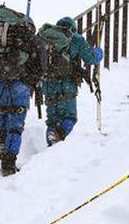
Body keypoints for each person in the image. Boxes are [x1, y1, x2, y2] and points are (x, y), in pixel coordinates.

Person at [0, 4, 46, 176]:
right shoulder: (29, 39)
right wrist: (32, 80)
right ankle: (9, 161)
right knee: (16, 121)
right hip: (19, 82)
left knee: (2, 112)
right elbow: (41, 65)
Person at [40, 17, 103, 145]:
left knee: (52, 120)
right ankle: (60, 139)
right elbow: (91, 58)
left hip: (48, 83)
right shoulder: (76, 39)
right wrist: (99, 52)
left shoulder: (45, 38)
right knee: (69, 117)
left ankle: (52, 138)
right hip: (66, 84)